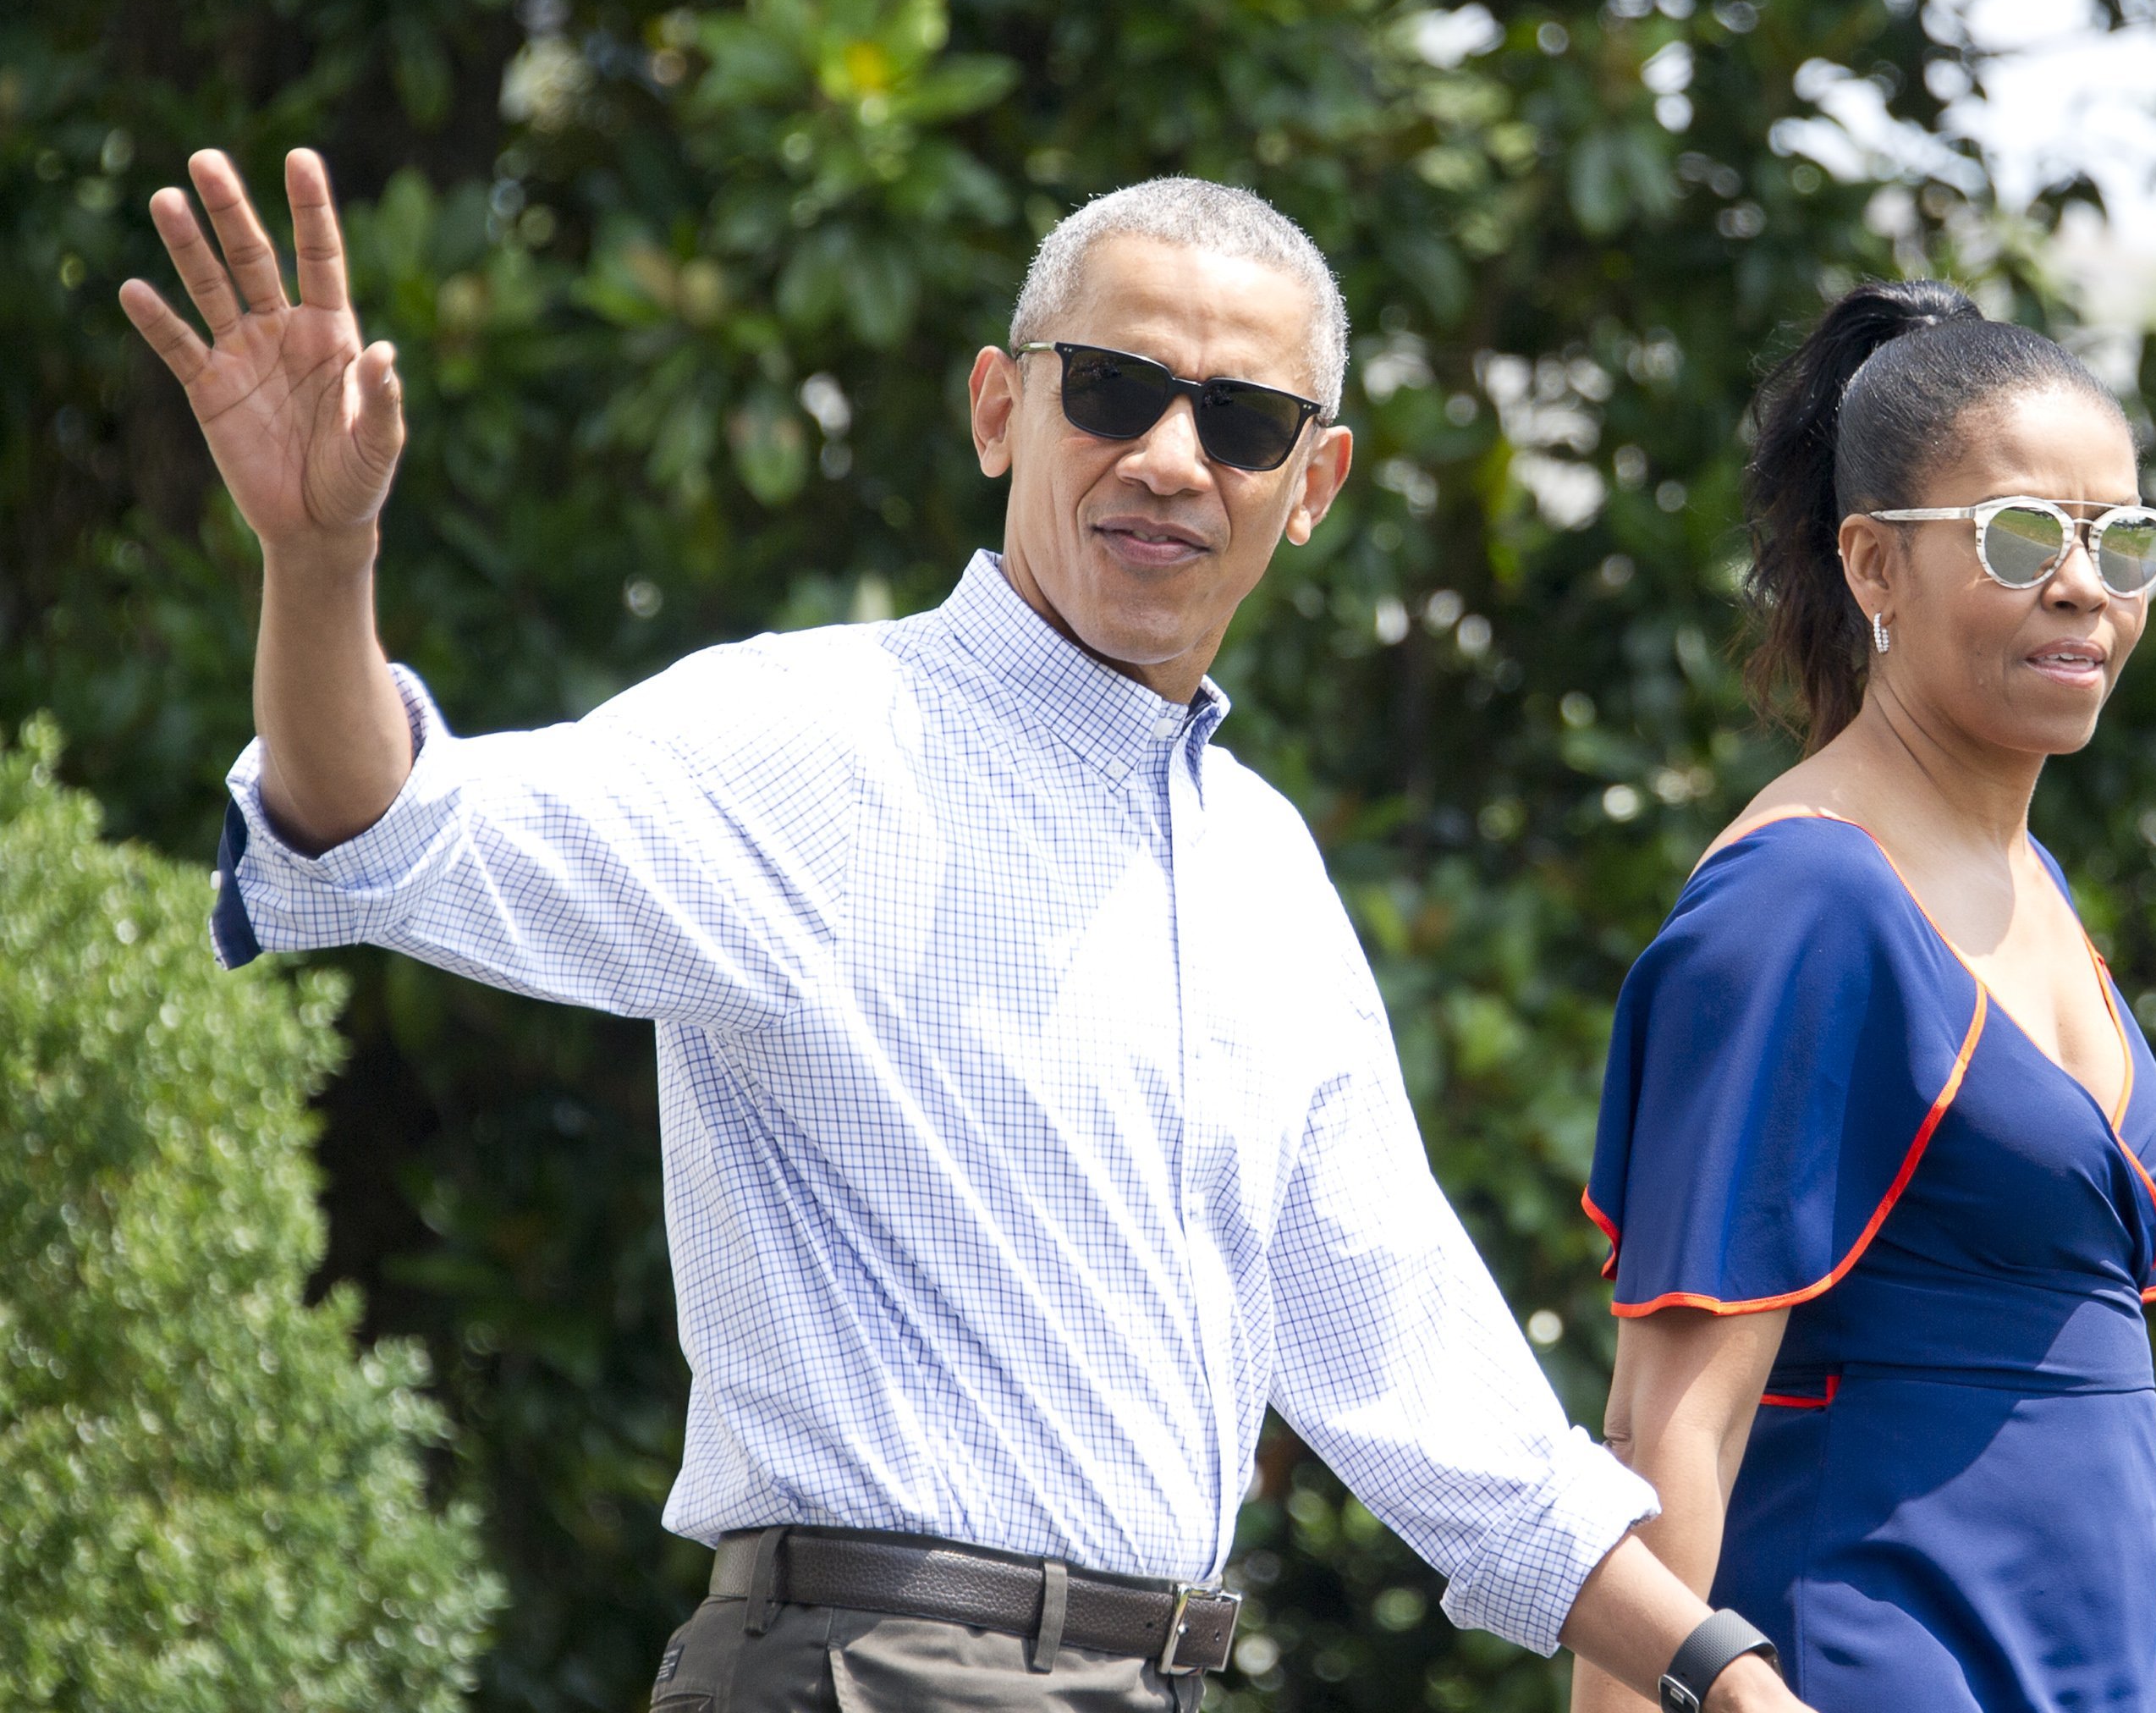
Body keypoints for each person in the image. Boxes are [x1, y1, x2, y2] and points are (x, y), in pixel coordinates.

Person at [119, 149, 1809, 1713]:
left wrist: (1725, 1674)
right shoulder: (813, 743)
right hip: (867, 1669)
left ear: (1314, 485)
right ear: (1002, 408)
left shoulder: (1263, 871)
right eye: (1117, 391)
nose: (1167, 458)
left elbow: (1431, 1399)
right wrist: (320, 560)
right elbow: (394, 834)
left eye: (1241, 421)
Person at [1572, 280, 2156, 1713]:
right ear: (1871, 567)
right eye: (2024, 535)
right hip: (1867, 1652)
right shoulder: (1807, 900)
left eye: (2126, 540)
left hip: (2080, 1663)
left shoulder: (2028, 872)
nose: (2085, 586)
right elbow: (1667, 1422)